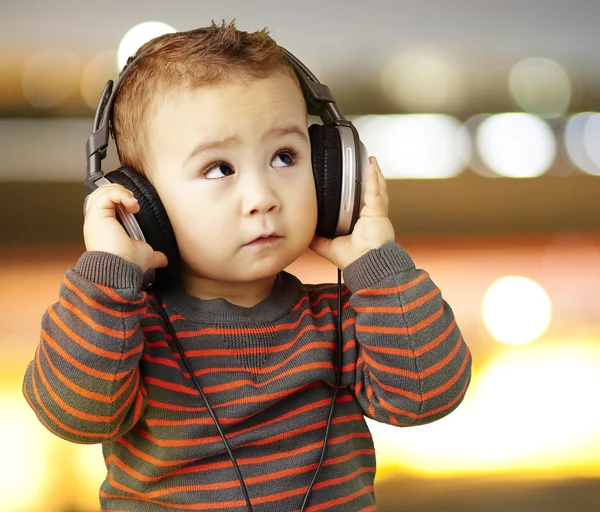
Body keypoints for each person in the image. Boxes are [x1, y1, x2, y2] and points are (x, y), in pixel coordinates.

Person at [22, 21, 472, 512]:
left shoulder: (345, 318)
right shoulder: (124, 328)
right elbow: (74, 415)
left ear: (331, 170)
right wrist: (106, 276)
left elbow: (429, 394)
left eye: (284, 156)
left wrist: (378, 266)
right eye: (219, 168)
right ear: (140, 203)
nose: (262, 198)